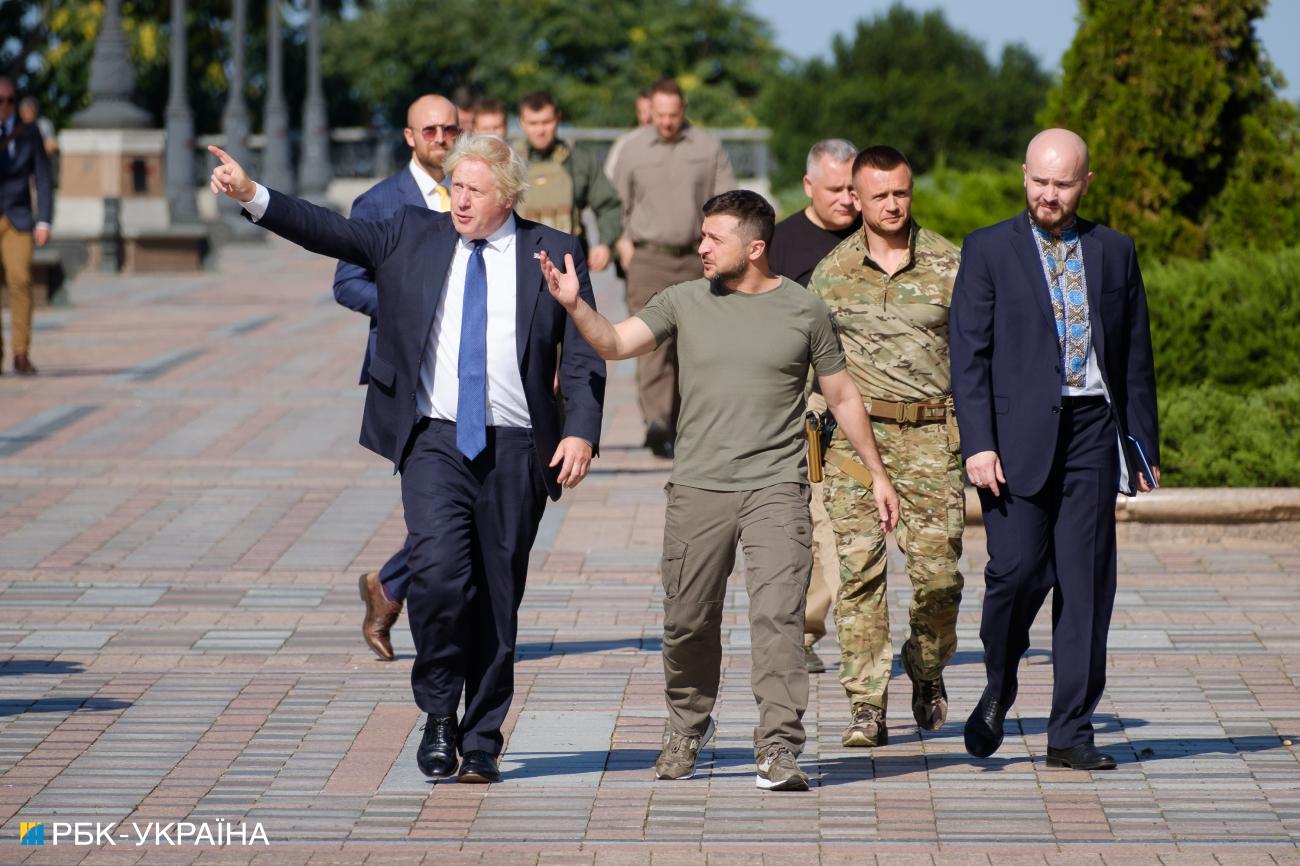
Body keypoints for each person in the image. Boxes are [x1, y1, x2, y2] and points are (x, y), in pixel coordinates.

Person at [208, 134, 605, 784]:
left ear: (508, 194)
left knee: (498, 600)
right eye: (455, 186)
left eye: (474, 189)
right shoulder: (410, 234)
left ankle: (482, 738)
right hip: (436, 441)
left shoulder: (553, 251)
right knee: (442, 577)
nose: (460, 199)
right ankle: (439, 714)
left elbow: (585, 349)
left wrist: (581, 430)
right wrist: (253, 195)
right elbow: (329, 232)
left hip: (515, 449)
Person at [540, 190, 900, 792]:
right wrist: (576, 307)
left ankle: (779, 745)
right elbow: (614, 343)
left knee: (778, 617)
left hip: (777, 487)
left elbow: (841, 395)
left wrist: (879, 474)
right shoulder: (682, 300)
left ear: (755, 247)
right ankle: (688, 724)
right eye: (701, 237)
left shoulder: (804, 310)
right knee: (687, 620)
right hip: (698, 488)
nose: (700, 247)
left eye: (714, 238)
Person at [950, 128, 1159, 771]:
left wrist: (1142, 443)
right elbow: (969, 355)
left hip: (1093, 429)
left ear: (1085, 183)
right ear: (1023, 175)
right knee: (1013, 573)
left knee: (1086, 585)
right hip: (1014, 439)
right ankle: (1001, 676)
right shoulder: (988, 249)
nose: (1048, 194)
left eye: (1062, 183)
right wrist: (978, 443)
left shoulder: (1114, 251)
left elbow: (1134, 354)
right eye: (1039, 181)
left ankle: (1071, 732)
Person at [809, 145, 966, 748]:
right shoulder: (832, 271)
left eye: (901, 192)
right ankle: (866, 705)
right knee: (859, 576)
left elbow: (977, 357)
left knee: (937, 579)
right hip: (855, 440)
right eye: (880, 195)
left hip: (930, 438)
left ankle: (925, 669)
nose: (893, 204)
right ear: (856, 197)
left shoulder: (950, 263)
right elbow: (814, 369)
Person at [334, 94, 461, 661]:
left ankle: (388, 584)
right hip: (407, 379)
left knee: (471, 501)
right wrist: (404, 304)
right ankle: (407, 597)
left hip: (473, 371)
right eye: (429, 130)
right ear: (409, 137)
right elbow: (347, 283)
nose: (441, 138)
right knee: (443, 506)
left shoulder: (475, 191)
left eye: (450, 129)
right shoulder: (378, 203)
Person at [767, 138, 861, 674]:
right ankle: (802, 629)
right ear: (808, 186)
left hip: (863, 395)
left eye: (854, 187)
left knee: (842, 518)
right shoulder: (779, 244)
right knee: (808, 517)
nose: (848, 199)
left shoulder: (875, 237)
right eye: (835, 189)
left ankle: (840, 626)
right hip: (802, 401)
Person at [611, 78, 735, 458]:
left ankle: (684, 423)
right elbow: (616, 204)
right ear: (651, 110)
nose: (666, 122)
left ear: (684, 110)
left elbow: (728, 201)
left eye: (673, 114)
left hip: (698, 258)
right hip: (648, 258)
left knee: (693, 346)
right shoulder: (631, 150)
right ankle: (657, 422)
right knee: (650, 343)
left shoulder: (707, 147)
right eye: (660, 115)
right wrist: (623, 243)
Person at [513, 90, 621, 273]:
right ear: (521, 123)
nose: (540, 130)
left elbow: (609, 205)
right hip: (519, 266)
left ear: (558, 119)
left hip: (571, 267)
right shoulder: (509, 161)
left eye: (546, 122)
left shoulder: (579, 159)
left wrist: (605, 244)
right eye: (533, 123)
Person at [0, 76, 53, 377]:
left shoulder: (29, 133)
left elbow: (43, 178)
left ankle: (21, 352)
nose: (4, 107)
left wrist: (43, 220)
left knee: (20, 280)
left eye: (9, 101)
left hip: (18, 217)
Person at [602, 88, 653, 182]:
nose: (646, 118)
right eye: (641, 112)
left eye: (651, 111)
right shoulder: (625, 143)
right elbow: (609, 177)